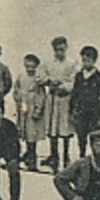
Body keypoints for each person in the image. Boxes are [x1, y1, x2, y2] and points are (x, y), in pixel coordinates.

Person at [40, 35, 78, 171]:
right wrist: (50, 81)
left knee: (65, 129)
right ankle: (53, 155)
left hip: (65, 99)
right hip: (53, 98)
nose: (59, 52)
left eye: (62, 49)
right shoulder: (49, 62)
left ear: (66, 48)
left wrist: (63, 86)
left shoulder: (71, 63)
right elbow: (40, 76)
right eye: (57, 50)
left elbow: (75, 81)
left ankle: (66, 155)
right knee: (53, 129)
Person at [70, 45, 100, 156]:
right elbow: (74, 93)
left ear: (94, 60)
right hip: (81, 112)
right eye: (84, 60)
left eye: (88, 60)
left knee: (93, 137)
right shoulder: (79, 76)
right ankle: (82, 157)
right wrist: (72, 110)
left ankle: (93, 158)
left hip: (93, 113)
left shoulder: (99, 77)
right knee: (81, 138)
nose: (86, 63)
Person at [15, 53, 46, 171]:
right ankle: (26, 154)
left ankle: (32, 157)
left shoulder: (38, 79)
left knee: (32, 134)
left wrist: (38, 109)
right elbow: (16, 90)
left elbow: (41, 95)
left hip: (33, 108)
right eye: (27, 66)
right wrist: (19, 100)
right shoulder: (21, 76)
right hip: (24, 106)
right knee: (23, 131)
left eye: (32, 67)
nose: (30, 69)